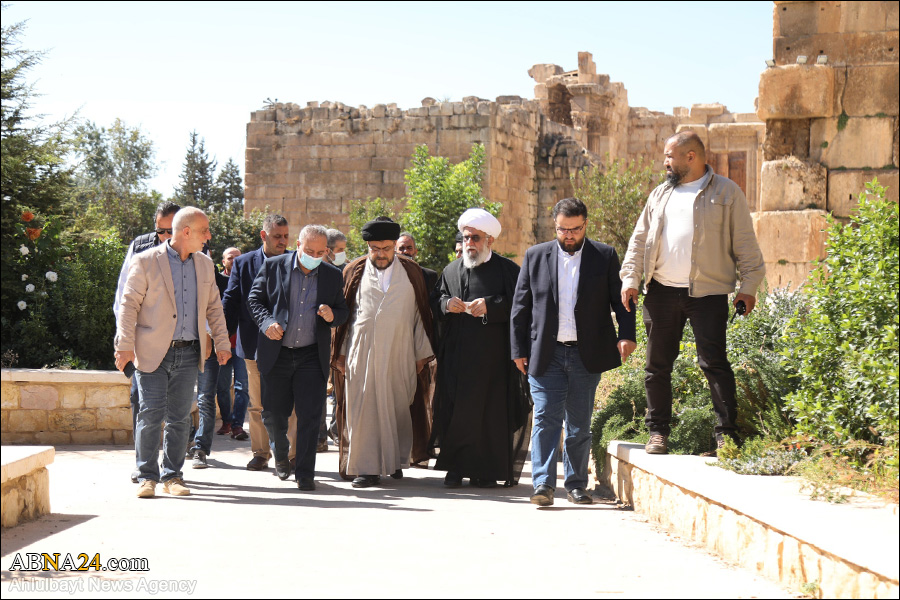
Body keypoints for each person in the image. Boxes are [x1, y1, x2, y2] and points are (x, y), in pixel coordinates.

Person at [620, 131, 765, 456]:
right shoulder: (659, 195)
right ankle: (657, 433)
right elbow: (639, 240)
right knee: (657, 365)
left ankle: (726, 436)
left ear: (691, 157)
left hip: (708, 293)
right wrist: (630, 277)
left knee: (714, 363)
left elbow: (745, 243)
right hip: (661, 291)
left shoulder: (727, 192)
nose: (665, 162)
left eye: (670, 156)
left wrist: (749, 287)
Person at [511, 197, 636, 506]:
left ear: (585, 225)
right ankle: (542, 485)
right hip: (546, 352)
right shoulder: (535, 256)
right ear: (555, 226)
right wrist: (517, 349)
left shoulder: (603, 256)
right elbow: (520, 307)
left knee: (579, 424)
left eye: (574, 230)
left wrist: (627, 335)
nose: (568, 235)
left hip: (586, 353)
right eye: (562, 229)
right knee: (545, 419)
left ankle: (577, 484)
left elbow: (621, 301)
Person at [114, 207, 231, 498]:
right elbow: (128, 305)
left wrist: (222, 342)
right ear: (187, 232)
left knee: (180, 417)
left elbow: (214, 307)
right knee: (150, 413)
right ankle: (147, 476)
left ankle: (173, 476)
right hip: (152, 350)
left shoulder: (205, 265)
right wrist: (124, 345)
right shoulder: (144, 261)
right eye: (204, 231)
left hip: (189, 352)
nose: (209, 236)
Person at [432, 208, 532, 488]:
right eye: (466, 238)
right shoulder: (451, 270)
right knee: (457, 413)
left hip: (494, 360)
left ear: (490, 240)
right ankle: (456, 468)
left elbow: (523, 306)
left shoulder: (507, 270)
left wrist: (492, 306)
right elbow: (435, 301)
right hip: (457, 359)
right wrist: (445, 305)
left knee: (490, 416)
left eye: (475, 238)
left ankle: (486, 471)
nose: (469, 243)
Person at [331, 217, 435, 488]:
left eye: (386, 248)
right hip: (360, 354)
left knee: (397, 409)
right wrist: (340, 354)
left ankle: (392, 461)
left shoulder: (412, 272)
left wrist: (421, 355)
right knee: (362, 410)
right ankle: (367, 468)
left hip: (400, 354)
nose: (380, 253)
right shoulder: (354, 270)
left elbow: (420, 315)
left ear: (394, 246)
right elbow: (344, 318)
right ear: (367, 246)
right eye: (375, 248)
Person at [247, 225, 349, 490]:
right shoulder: (274, 266)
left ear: (326, 251)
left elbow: (343, 310)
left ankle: (305, 474)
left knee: (310, 417)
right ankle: (280, 451)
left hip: (311, 357)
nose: (313, 256)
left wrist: (332, 316)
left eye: (319, 252)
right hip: (277, 353)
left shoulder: (332, 275)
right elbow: (254, 300)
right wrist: (266, 322)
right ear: (299, 245)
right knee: (274, 414)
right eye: (309, 250)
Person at [223, 214, 298, 470]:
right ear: (263, 236)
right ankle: (261, 453)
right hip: (253, 346)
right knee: (257, 404)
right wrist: (221, 339)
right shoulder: (243, 263)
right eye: (277, 236)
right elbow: (231, 302)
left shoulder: (295, 262)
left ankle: (293, 455)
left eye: (286, 236)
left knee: (291, 405)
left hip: (287, 345)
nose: (283, 241)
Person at [214, 247, 249, 438]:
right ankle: (226, 420)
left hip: (242, 343)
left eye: (238, 257)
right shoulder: (215, 281)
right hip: (223, 343)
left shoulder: (248, 280)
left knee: (242, 386)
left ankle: (237, 425)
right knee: (222, 386)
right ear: (223, 261)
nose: (234, 260)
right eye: (230, 257)